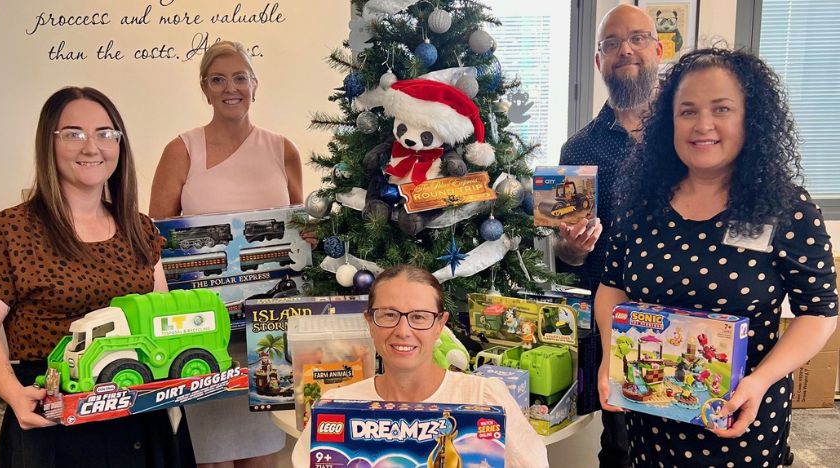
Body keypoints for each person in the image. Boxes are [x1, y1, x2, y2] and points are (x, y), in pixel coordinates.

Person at [596, 48, 838, 467]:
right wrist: (609, 357)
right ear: (668, 122)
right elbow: (612, 286)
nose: (703, 125)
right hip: (650, 417)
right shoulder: (641, 204)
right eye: (687, 111)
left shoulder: (786, 208)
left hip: (739, 418)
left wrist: (760, 382)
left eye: (721, 109)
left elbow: (818, 313)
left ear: (751, 119)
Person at [0, 86, 194, 467]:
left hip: (142, 412)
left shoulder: (139, 229)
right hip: (57, 420)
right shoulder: (11, 230)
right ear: (49, 143)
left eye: (105, 134)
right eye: (74, 133)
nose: (92, 147)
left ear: (119, 144)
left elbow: (162, 317)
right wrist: (11, 391)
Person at [149, 40, 303, 468]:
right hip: (206, 328)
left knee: (268, 451)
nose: (229, 88)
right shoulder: (181, 149)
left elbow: (296, 229)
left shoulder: (282, 149)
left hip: (271, 326)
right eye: (218, 79)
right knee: (211, 457)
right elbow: (155, 238)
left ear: (255, 84)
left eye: (239, 77)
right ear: (205, 88)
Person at [291, 264, 549, 468]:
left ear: (440, 324)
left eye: (419, 317)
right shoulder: (338, 405)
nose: (403, 331)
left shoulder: (484, 398)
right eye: (389, 315)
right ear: (369, 321)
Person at [555, 5, 663, 467]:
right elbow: (566, 257)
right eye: (611, 43)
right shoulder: (578, 150)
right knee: (620, 447)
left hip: (691, 311)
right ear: (598, 61)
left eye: (637, 38)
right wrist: (572, 247)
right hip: (616, 322)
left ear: (659, 50)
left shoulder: (691, 132)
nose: (625, 50)